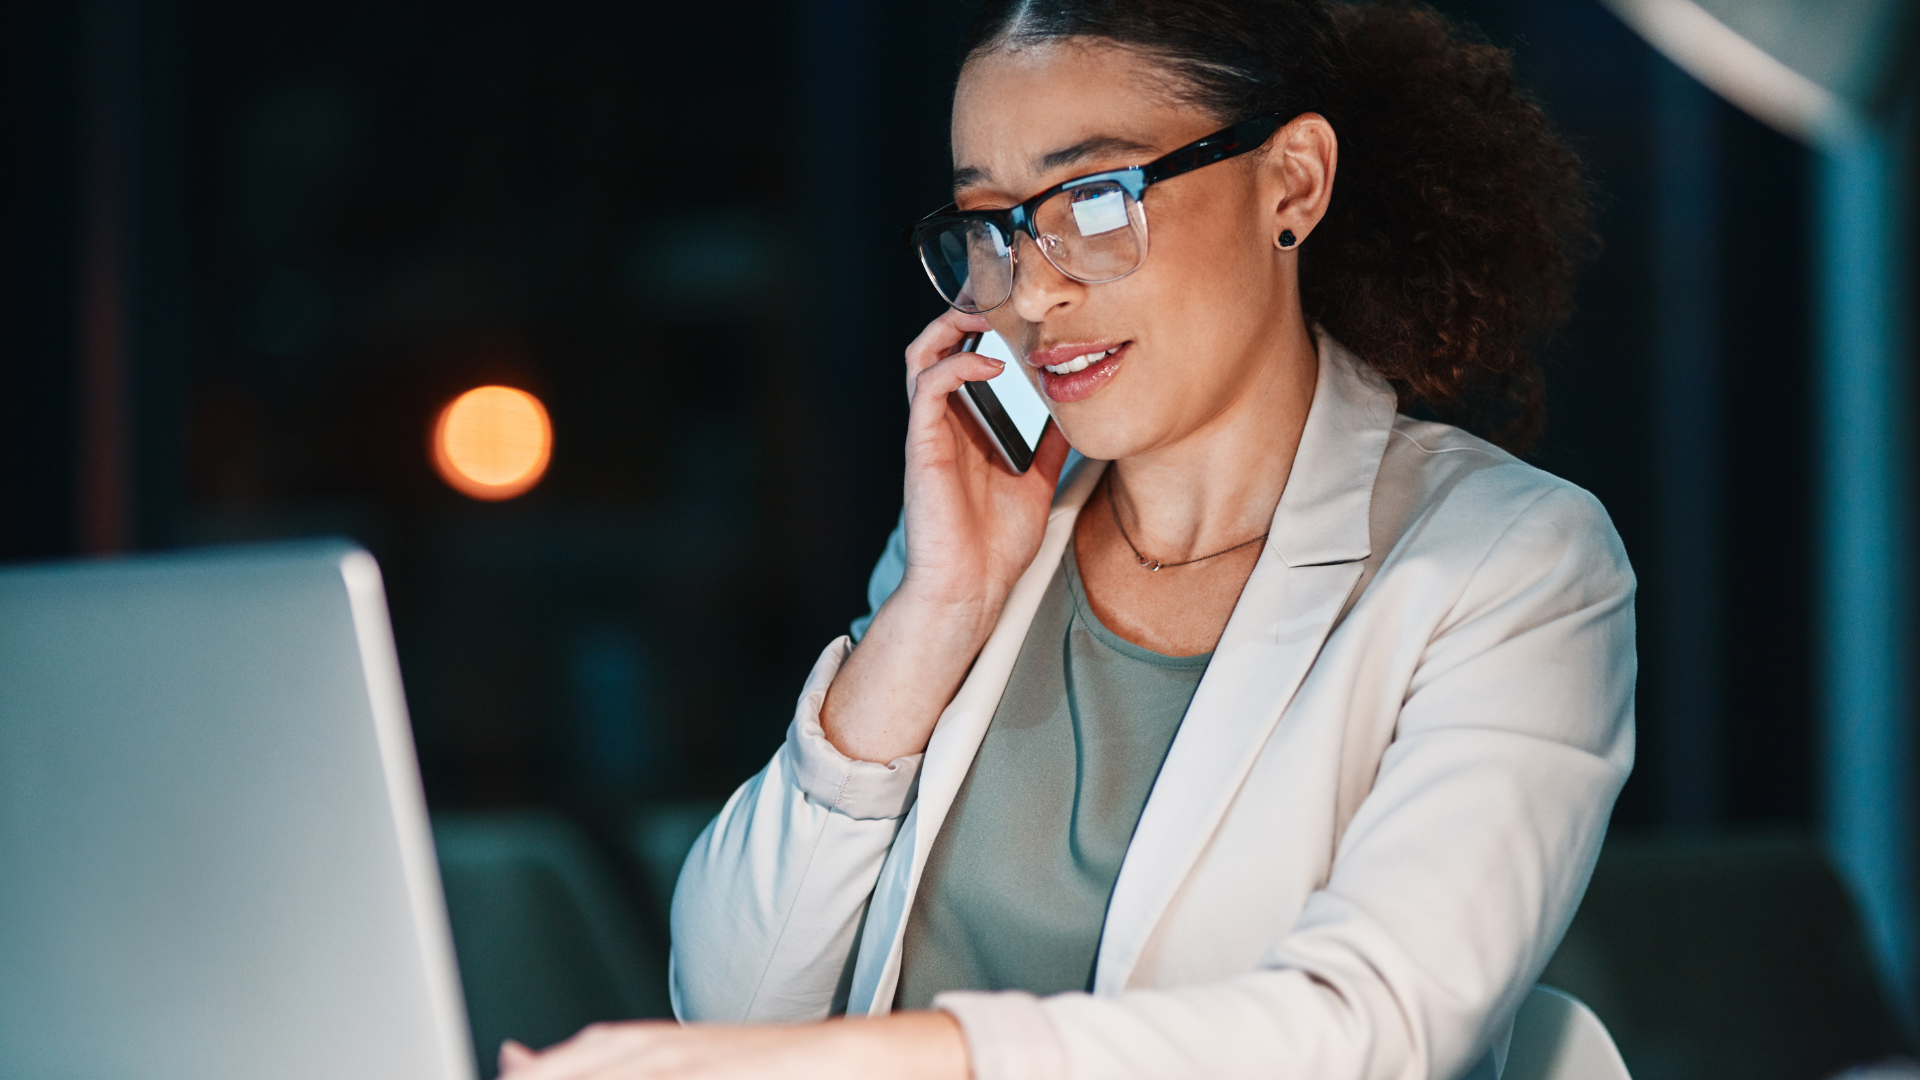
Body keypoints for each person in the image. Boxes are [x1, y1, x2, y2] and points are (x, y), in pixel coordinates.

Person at [501, 0, 1633, 1077]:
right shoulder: (995, 534)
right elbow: (734, 1005)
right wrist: (934, 611)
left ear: (1292, 182)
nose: (1031, 294)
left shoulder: (1511, 563)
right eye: (990, 227)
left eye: (1092, 200)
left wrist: (917, 1059)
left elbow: (1373, 1028)